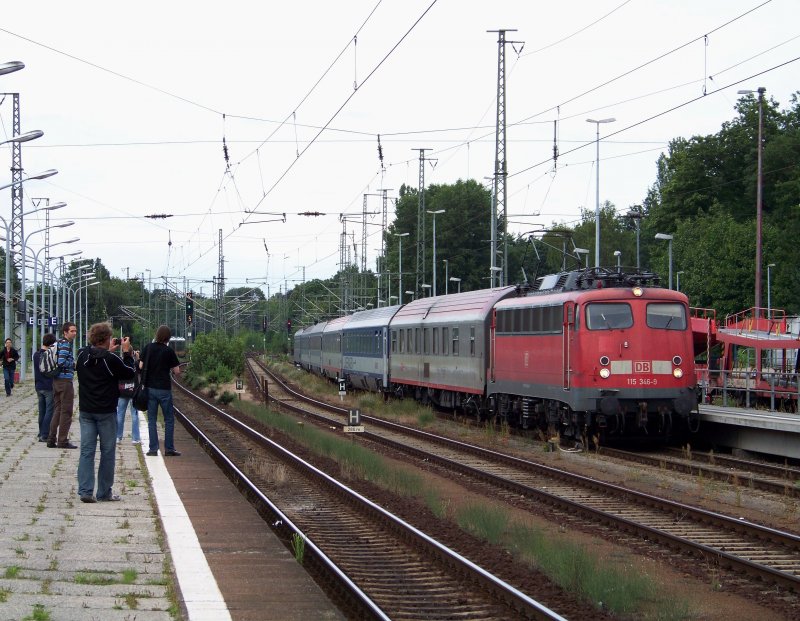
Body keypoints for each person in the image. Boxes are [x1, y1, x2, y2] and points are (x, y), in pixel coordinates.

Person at [76, 322, 136, 503]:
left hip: (86, 410)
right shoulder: (111, 360)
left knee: (87, 451)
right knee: (107, 451)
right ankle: (104, 492)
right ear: (107, 339)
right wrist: (126, 353)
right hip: (106, 412)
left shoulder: (82, 355)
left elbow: (92, 352)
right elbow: (130, 373)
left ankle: (86, 491)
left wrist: (105, 348)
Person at [141, 325, 182, 457]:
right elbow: (177, 371)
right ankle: (169, 449)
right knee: (169, 419)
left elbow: (141, 365)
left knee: (152, 419)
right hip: (164, 389)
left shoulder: (148, 348)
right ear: (168, 337)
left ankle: (153, 449)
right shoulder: (169, 351)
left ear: (157, 335)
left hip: (150, 388)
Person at [48, 322, 78, 449]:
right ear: (65, 332)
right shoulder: (65, 344)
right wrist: (73, 364)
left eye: (75, 331)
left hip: (56, 381)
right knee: (66, 411)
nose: (74, 333)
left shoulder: (58, 343)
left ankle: (51, 439)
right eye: (72, 331)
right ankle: (62, 440)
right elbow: (61, 362)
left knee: (57, 410)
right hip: (65, 381)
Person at [33, 333, 58, 442]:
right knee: (49, 411)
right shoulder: (49, 355)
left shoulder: (36, 354)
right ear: (52, 344)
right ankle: (45, 434)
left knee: (42, 411)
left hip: (39, 386)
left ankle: (40, 433)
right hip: (48, 385)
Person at [116, 347, 141, 444]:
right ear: (132, 353)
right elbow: (141, 367)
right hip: (133, 391)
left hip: (122, 391)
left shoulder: (120, 363)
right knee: (134, 415)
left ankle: (118, 437)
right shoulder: (135, 364)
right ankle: (135, 438)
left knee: (120, 414)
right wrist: (138, 357)